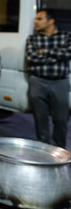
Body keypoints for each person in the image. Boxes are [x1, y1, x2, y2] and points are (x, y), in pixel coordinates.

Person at [26, 9, 71, 148]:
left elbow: (68, 53)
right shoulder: (32, 38)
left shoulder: (66, 36)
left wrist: (44, 52)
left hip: (60, 82)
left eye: (39, 19)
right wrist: (56, 56)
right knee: (40, 119)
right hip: (38, 82)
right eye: (35, 19)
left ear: (51, 21)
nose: (35, 22)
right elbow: (31, 58)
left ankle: (59, 151)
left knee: (61, 119)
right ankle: (43, 150)